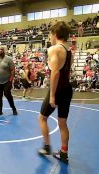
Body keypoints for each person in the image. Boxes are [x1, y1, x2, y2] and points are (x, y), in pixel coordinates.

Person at [38, 21, 73, 163]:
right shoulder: (69, 50)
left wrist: (52, 95)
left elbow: (56, 73)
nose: (50, 37)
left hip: (58, 89)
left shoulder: (54, 49)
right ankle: (64, 153)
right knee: (62, 123)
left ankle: (46, 147)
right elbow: (67, 69)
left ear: (55, 34)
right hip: (67, 89)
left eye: (50, 34)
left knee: (42, 118)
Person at [0, 45, 18, 116]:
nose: (0, 50)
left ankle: (13, 109)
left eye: (2, 49)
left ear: (4, 51)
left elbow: (13, 70)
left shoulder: (9, 59)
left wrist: (11, 79)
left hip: (7, 81)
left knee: (7, 94)